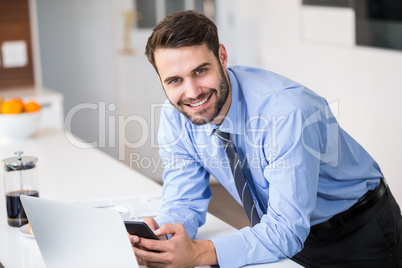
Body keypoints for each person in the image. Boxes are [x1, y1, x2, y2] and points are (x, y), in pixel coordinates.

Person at [129, 10, 402, 268]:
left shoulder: (287, 113)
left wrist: (199, 253)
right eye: (174, 80)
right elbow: (183, 199)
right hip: (286, 234)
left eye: (200, 71)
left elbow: (286, 229)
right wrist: (163, 240)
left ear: (222, 57)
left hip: (358, 231)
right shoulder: (177, 114)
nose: (192, 92)